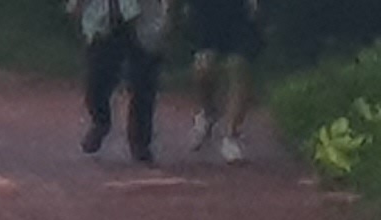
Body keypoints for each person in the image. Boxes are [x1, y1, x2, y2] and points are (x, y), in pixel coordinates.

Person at [73, 0, 170, 163]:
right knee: (96, 79)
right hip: (104, 17)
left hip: (144, 18)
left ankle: (140, 142)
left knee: (143, 83)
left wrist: (168, 16)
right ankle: (100, 120)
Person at [186, 0, 261, 161]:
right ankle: (208, 112)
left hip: (239, 12)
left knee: (238, 65)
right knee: (203, 68)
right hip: (206, 12)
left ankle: (231, 135)